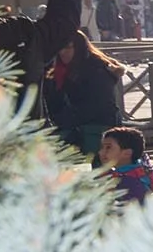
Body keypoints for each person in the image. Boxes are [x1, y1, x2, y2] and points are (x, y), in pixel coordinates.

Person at [42, 30, 125, 158]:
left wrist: (62, 121)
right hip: (74, 125)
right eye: (60, 48)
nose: (62, 52)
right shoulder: (57, 69)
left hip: (98, 128)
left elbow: (97, 106)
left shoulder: (96, 68)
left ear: (79, 48)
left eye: (68, 47)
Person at [98, 126, 153, 205]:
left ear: (127, 153)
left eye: (108, 147)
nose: (101, 152)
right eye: (102, 147)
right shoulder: (137, 173)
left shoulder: (130, 183)